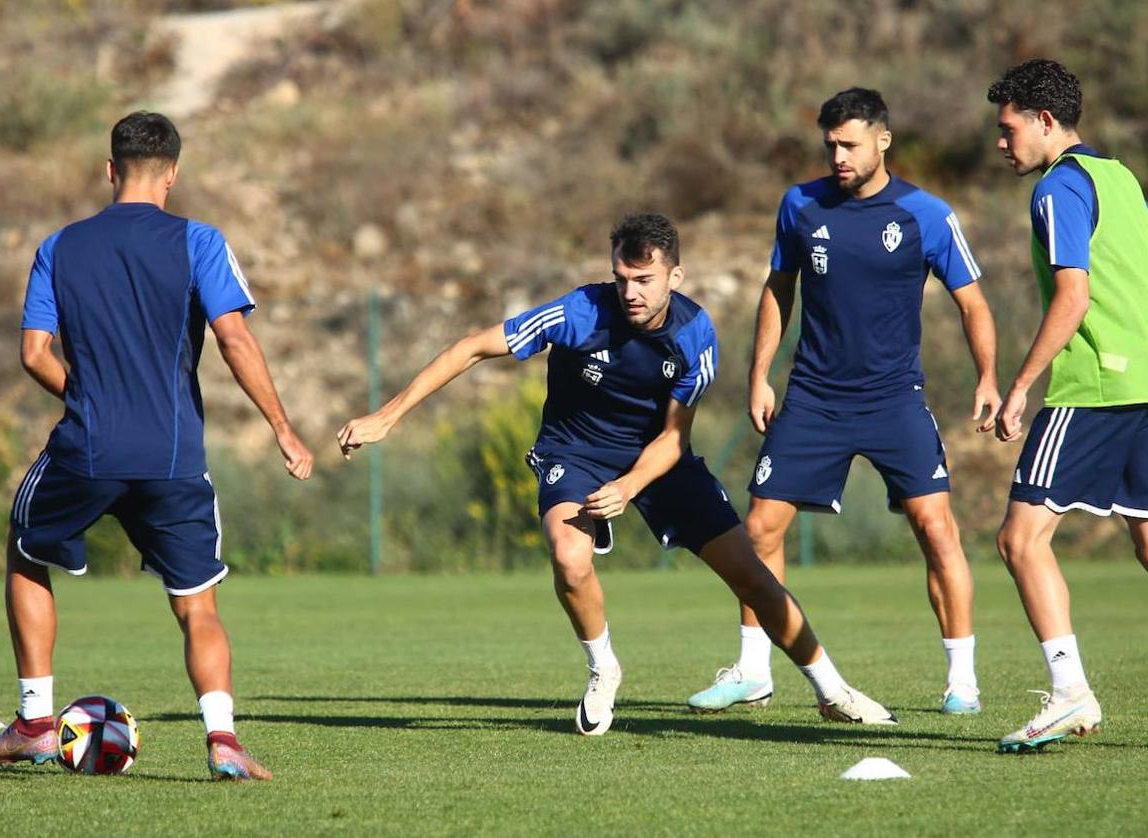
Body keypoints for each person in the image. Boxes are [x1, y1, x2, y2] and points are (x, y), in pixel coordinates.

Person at [339, 213, 896, 735]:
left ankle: (832, 690)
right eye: (621, 277)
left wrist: (630, 487)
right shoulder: (580, 312)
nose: (630, 291)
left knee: (752, 576)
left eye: (645, 279)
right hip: (574, 452)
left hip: (657, 460)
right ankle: (604, 668)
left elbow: (675, 437)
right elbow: (472, 348)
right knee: (568, 556)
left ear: (674, 275)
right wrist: (388, 416)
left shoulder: (695, 333)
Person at [0, 112, 313, 780]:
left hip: (89, 447)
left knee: (24, 546)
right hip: (174, 456)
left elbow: (32, 354)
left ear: (110, 170)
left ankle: (36, 722)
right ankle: (222, 740)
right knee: (197, 605)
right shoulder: (201, 241)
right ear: (173, 174)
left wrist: (87, 395)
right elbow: (236, 340)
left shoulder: (59, 247)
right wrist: (282, 427)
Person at [687, 88, 999, 716]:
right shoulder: (800, 205)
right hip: (814, 398)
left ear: (883, 139)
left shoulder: (927, 214)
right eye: (830, 144)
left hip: (894, 399)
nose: (838, 156)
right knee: (759, 528)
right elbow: (778, 289)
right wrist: (759, 375)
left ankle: (962, 678)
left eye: (850, 144)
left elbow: (972, 302)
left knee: (936, 528)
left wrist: (988, 376)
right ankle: (753, 670)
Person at [987, 59, 1148, 752]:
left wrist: (1020, 384)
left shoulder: (1060, 188)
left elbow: (1073, 295)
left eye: (1008, 127)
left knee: (1020, 539)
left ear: (1044, 121)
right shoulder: (1123, 178)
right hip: (1144, 380)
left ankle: (1070, 694)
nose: (1001, 143)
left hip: (1096, 390)